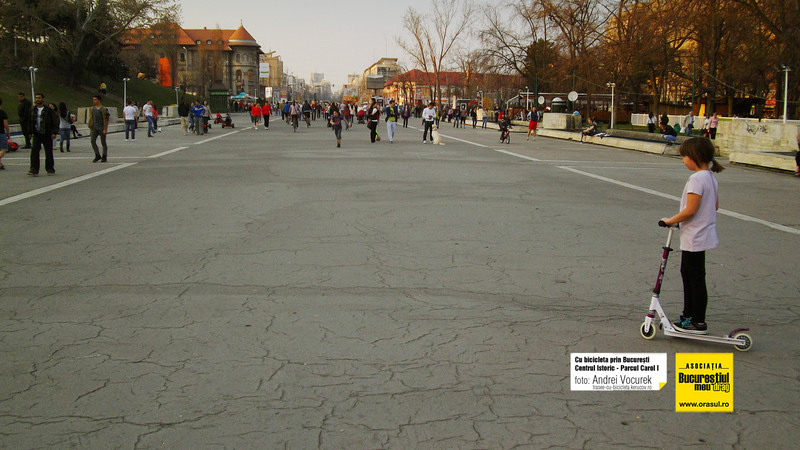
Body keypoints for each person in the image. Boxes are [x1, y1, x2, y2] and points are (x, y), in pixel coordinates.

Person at [660, 137, 724, 335]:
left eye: (685, 156)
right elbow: (715, 206)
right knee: (691, 276)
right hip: (701, 233)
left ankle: (696, 321)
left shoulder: (697, 179)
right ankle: (689, 316)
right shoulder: (710, 177)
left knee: (693, 279)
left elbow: (690, 210)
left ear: (695, 156)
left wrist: (670, 220)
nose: (683, 161)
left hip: (695, 235)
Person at [27, 93, 58, 175]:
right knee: (34, 151)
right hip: (36, 133)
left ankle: (50, 168)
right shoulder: (32, 110)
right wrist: (29, 132)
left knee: (48, 152)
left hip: (47, 133)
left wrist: (54, 132)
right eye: (36, 98)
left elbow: (55, 121)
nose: (37, 99)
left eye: (39, 98)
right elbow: (29, 121)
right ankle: (34, 169)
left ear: (43, 99)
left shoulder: (49, 110)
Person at [88, 95, 109, 162]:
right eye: (93, 99)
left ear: (99, 100)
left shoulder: (104, 109)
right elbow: (91, 117)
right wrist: (90, 126)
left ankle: (104, 156)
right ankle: (97, 155)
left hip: (102, 127)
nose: (94, 101)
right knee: (92, 140)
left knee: (103, 142)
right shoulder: (92, 109)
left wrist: (105, 129)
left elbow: (106, 119)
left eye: (95, 99)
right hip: (94, 127)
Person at [0, 97, 8, 170]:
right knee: (3, 149)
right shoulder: (2, 113)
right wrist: (8, 133)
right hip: (1, 133)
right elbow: (5, 124)